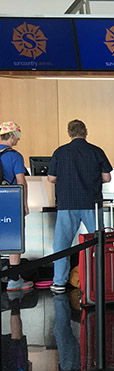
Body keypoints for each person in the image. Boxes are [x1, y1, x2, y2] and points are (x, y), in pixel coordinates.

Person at [47, 119, 112, 294]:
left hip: (67, 203)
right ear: (86, 131)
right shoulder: (96, 151)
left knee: (62, 245)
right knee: (99, 243)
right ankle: (102, 279)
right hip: (91, 203)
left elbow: (51, 178)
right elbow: (107, 177)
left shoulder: (60, 152)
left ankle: (59, 282)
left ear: (69, 133)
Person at [0, 122, 32, 291]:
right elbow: (21, 182)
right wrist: (24, 204)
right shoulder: (14, 156)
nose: (19, 139)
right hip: (10, 201)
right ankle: (14, 280)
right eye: (18, 135)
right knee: (14, 237)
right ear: (12, 135)